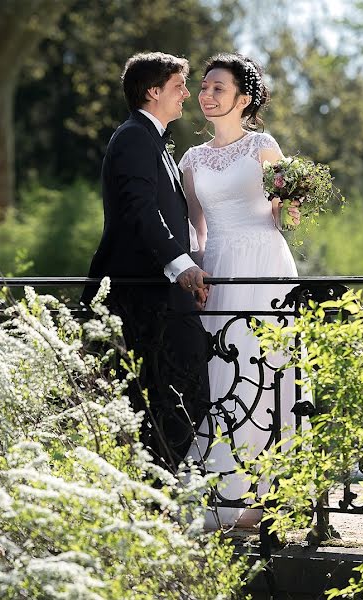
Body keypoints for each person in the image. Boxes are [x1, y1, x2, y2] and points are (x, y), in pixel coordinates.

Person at [177, 53, 305, 528]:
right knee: (222, 372)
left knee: (267, 367)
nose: (207, 96)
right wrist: (195, 270)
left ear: (243, 99)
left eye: (218, 88)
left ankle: (273, 493)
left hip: (265, 262)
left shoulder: (263, 147)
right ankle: (225, 488)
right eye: (204, 87)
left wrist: (292, 198)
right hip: (220, 266)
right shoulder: (191, 158)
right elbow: (197, 229)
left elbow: (283, 219)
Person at [81, 52, 211, 474]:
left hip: (158, 294)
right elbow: (140, 210)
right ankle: (154, 496)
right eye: (179, 87)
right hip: (142, 296)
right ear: (153, 92)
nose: (187, 95)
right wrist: (183, 266)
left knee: (167, 398)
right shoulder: (135, 137)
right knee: (174, 396)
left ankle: (155, 495)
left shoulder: (151, 138)